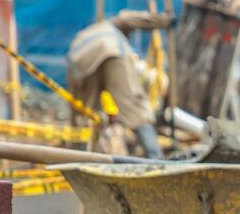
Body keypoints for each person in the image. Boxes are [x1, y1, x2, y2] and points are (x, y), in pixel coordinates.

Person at [66, 10, 173, 158]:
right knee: (134, 108)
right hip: (112, 52)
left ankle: (78, 158)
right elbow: (128, 17)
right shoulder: (113, 25)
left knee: (85, 114)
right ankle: (156, 157)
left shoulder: (88, 33)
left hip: (79, 60)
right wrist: (163, 20)